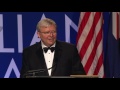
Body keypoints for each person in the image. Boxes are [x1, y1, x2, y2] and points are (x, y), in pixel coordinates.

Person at [20, 18, 86, 78]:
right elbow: (24, 75)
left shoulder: (69, 50)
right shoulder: (29, 53)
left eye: (53, 32)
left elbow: (79, 75)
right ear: (38, 34)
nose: (51, 35)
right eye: (47, 32)